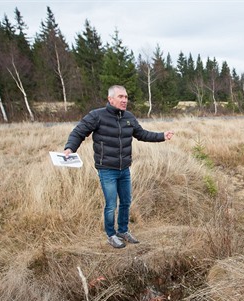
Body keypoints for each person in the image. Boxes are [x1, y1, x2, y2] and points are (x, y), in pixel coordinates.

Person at [63, 85, 174, 248]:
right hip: (106, 169)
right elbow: (78, 132)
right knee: (111, 204)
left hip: (124, 169)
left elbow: (142, 134)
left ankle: (123, 230)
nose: (124, 100)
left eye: (126, 97)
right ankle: (111, 234)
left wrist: (162, 136)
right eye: (121, 97)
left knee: (126, 201)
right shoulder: (96, 116)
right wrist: (69, 148)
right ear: (110, 99)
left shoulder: (128, 117)